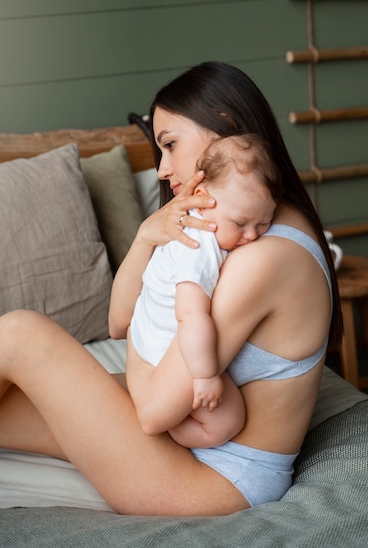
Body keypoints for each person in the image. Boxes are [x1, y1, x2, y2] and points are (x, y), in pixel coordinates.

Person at [0, 61, 342, 516]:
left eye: (170, 145)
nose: (162, 170)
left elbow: (154, 410)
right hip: (191, 440)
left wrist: (114, 381)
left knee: (21, 335)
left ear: (222, 129)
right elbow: (119, 324)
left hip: (215, 483)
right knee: (10, 409)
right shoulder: (233, 232)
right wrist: (146, 236)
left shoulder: (263, 257)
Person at [127, 133, 278, 448]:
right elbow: (190, 314)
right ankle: (177, 432)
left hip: (149, 332)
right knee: (227, 421)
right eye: (240, 223)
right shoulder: (200, 245)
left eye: (263, 224)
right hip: (162, 345)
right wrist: (204, 376)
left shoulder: (210, 218)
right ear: (204, 197)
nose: (251, 236)